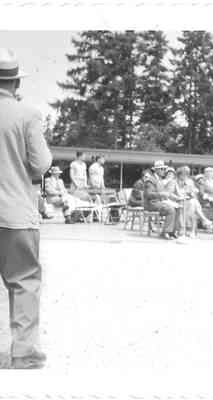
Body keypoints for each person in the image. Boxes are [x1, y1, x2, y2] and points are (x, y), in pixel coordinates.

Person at [0, 48, 52, 369]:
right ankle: (22, 352)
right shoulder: (28, 114)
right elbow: (41, 164)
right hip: (15, 214)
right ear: (15, 83)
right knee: (23, 282)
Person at [143, 160, 181, 240]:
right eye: (161, 169)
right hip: (151, 204)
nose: (164, 171)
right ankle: (165, 232)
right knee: (170, 209)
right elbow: (148, 194)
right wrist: (161, 194)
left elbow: (167, 193)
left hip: (159, 202)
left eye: (164, 169)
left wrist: (177, 198)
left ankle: (173, 232)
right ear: (156, 170)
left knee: (178, 208)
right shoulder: (150, 180)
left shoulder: (159, 180)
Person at [174, 166, 212, 238]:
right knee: (193, 205)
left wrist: (192, 192)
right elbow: (177, 193)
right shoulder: (175, 181)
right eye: (183, 174)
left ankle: (191, 231)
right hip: (179, 200)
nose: (185, 176)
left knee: (193, 204)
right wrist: (183, 195)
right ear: (179, 174)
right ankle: (203, 220)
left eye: (186, 174)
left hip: (189, 200)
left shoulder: (190, 181)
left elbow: (193, 191)